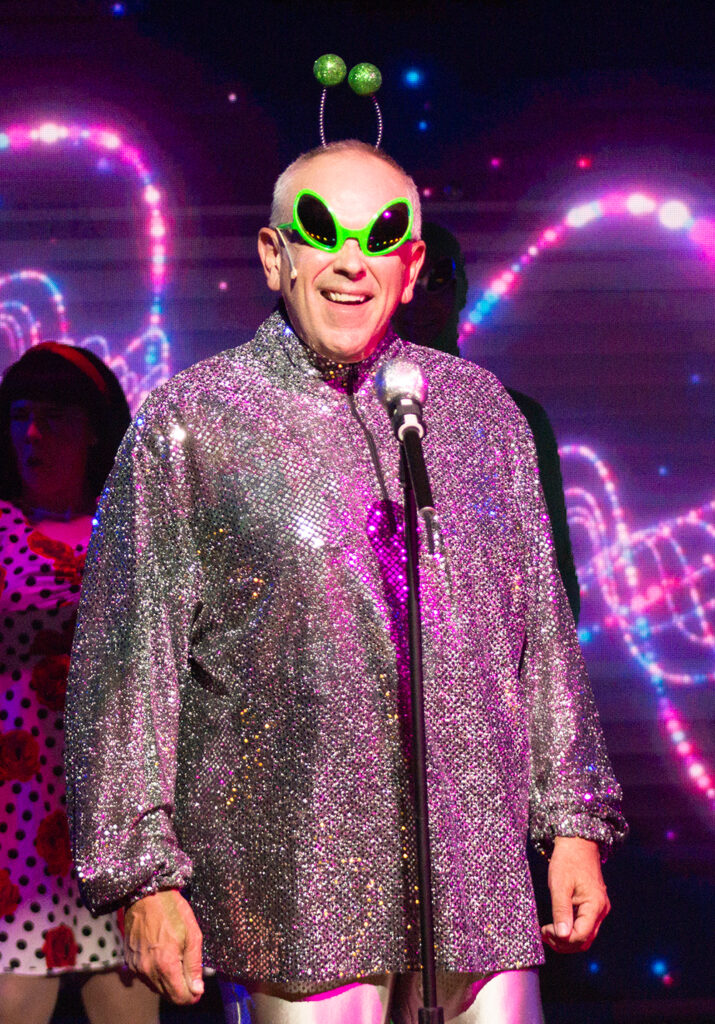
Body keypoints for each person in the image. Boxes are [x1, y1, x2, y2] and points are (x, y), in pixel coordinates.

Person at [66, 140, 626, 1024]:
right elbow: (128, 667)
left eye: (380, 237)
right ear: (273, 255)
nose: (351, 262)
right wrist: (143, 879)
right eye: (322, 232)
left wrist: (572, 824)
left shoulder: (481, 415)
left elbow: (542, 637)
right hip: (294, 883)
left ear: (411, 266)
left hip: (475, 878)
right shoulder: (194, 421)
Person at [0, 343, 159, 1024]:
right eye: (20, 416)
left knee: (130, 1008)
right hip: (15, 828)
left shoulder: (130, 530)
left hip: (112, 821)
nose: (33, 434)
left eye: (55, 418)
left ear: (93, 429)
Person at [392, 222, 581, 623]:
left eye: (438, 280)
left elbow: (554, 573)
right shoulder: (349, 415)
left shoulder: (516, 417)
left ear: (461, 290)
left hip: (491, 651)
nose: (421, 298)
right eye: (407, 280)